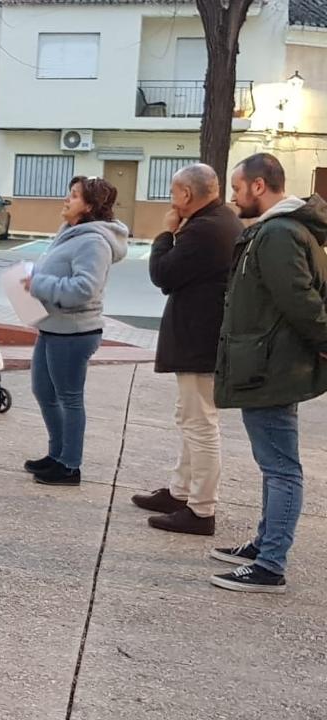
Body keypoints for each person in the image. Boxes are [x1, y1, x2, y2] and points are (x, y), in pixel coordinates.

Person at [209, 153, 327, 594]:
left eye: (238, 188)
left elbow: (301, 300)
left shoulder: (277, 234)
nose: (234, 197)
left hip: (271, 366)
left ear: (259, 186)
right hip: (267, 361)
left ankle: (271, 564)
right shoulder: (275, 231)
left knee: (281, 468)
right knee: (273, 464)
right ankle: (264, 546)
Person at [131, 164, 241, 537]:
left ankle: (201, 509)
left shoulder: (205, 229)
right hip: (202, 338)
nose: (171, 199)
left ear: (186, 196)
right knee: (191, 418)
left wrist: (165, 232)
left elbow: (163, 274)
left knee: (200, 424)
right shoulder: (219, 220)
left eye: (173, 192)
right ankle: (181, 493)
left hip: (199, 340)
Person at [21, 176, 128, 487]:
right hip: (52, 326)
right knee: (44, 391)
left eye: (74, 196)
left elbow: (84, 289)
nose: (66, 200)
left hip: (74, 331)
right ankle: (56, 455)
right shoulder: (71, 232)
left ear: (90, 206)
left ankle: (70, 466)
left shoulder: (94, 241)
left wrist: (38, 283)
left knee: (69, 397)